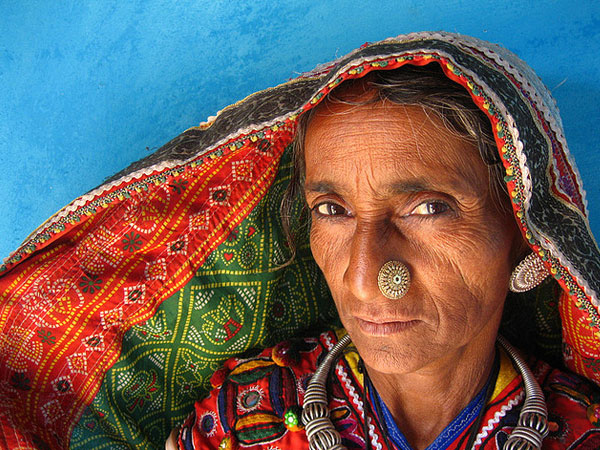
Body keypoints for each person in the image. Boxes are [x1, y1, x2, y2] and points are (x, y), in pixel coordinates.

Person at [164, 33, 600, 449]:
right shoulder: (241, 419)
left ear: (526, 232)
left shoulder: (583, 433)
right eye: (333, 209)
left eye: (429, 207)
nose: (362, 277)